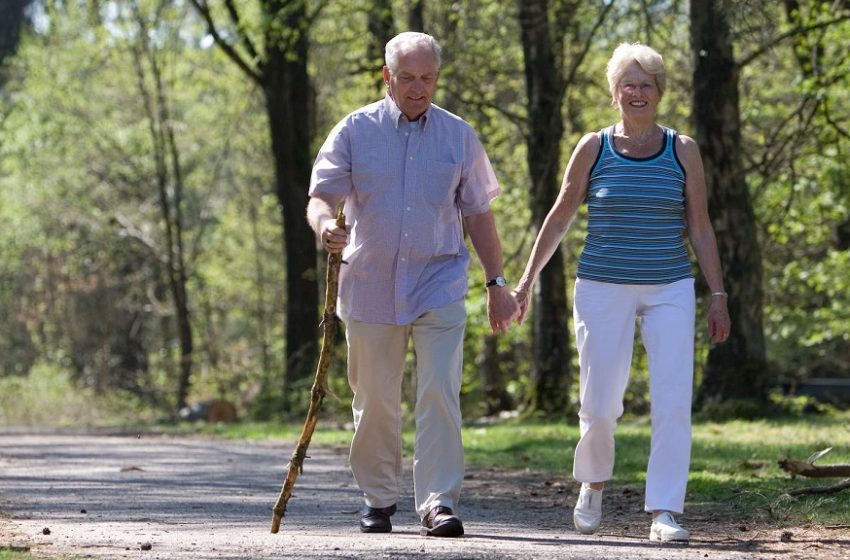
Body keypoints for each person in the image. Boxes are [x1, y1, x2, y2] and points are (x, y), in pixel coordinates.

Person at [513, 43, 731, 542]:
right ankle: (592, 481)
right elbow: (561, 216)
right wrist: (526, 281)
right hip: (602, 285)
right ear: (614, 93)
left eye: (647, 84)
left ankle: (665, 511)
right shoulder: (594, 147)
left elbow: (699, 227)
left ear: (659, 93)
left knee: (673, 398)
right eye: (628, 84)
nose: (638, 92)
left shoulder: (684, 149)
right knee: (601, 400)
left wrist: (717, 294)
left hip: (670, 285)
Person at [306, 31, 519, 538]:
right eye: (408, 77)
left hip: (438, 281)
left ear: (437, 78)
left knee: (439, 393)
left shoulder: (459, 136)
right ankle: (379, 499)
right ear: (387, 77)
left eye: (427, 78)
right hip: (370, 284)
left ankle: (438, 502)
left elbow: (479, 216)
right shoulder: (354, 131)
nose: (418, 88)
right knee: (375, 398)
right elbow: (321, 196)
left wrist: (497, 282)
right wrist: (323, 228)